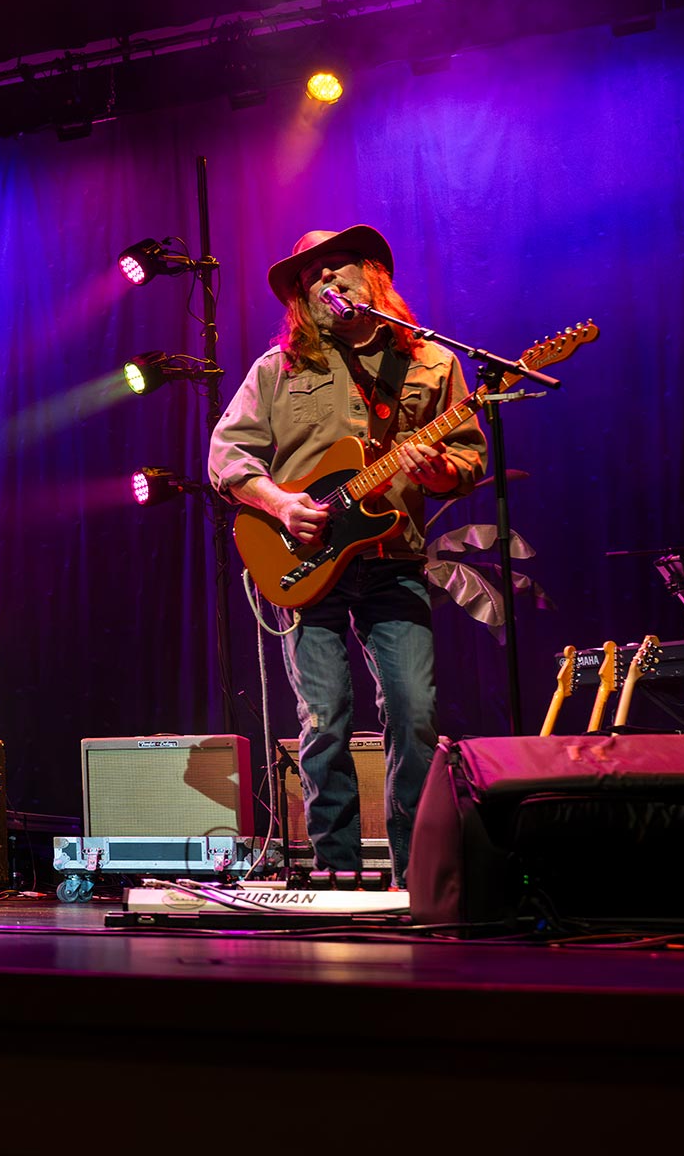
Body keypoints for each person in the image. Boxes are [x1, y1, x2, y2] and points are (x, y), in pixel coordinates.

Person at [208, 226, 485, 884]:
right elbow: (228, 454)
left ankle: (415, 874)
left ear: (374, 276)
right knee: (325, 717)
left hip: (393, 561)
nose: (326, 279)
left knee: (413, 712)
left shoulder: (433, 365)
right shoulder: (279, 370)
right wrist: (280, 504)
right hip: (303, 563)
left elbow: (468, 461)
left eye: (340, 266)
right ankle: (332, 874)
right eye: (313, 275)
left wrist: (438, 467)